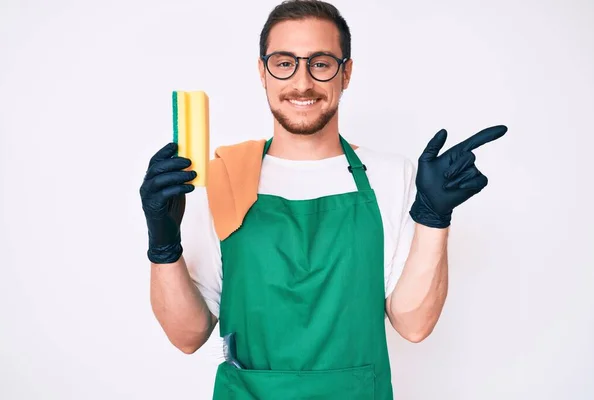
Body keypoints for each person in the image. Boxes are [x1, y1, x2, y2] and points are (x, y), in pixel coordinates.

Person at [139, 1, 507, 398]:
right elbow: (188, 335)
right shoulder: (224, 175)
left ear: (346, 72)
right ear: (262, 71)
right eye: (284, 63)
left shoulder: (393, 176)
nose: (302, 83)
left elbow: (413, 324)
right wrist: (163, 243)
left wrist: (434, 217)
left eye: (321, 63)